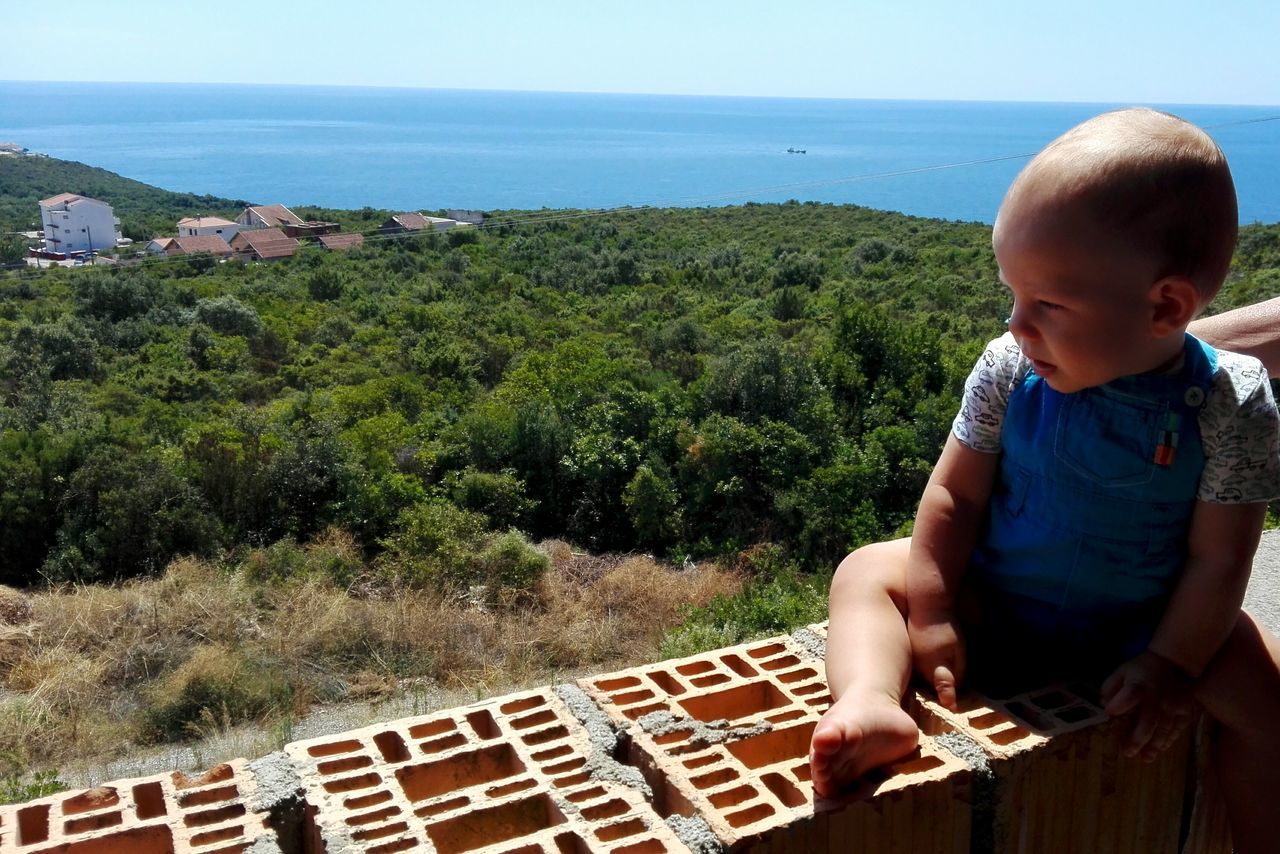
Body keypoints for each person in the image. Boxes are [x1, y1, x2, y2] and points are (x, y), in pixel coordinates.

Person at [808, 108, 1280, 852]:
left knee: (1269, 693)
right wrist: (932, 614)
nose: (1016, 324)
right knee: (868, 570)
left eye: (1047, 306)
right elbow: (953, 497)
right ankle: (870, 701)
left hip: (1145, 632)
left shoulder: (1231, 403)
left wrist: (1169, 664)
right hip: (997, 603)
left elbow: (1221, 561)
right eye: (1014, 295)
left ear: (1165, 306)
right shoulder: (1007, 369)